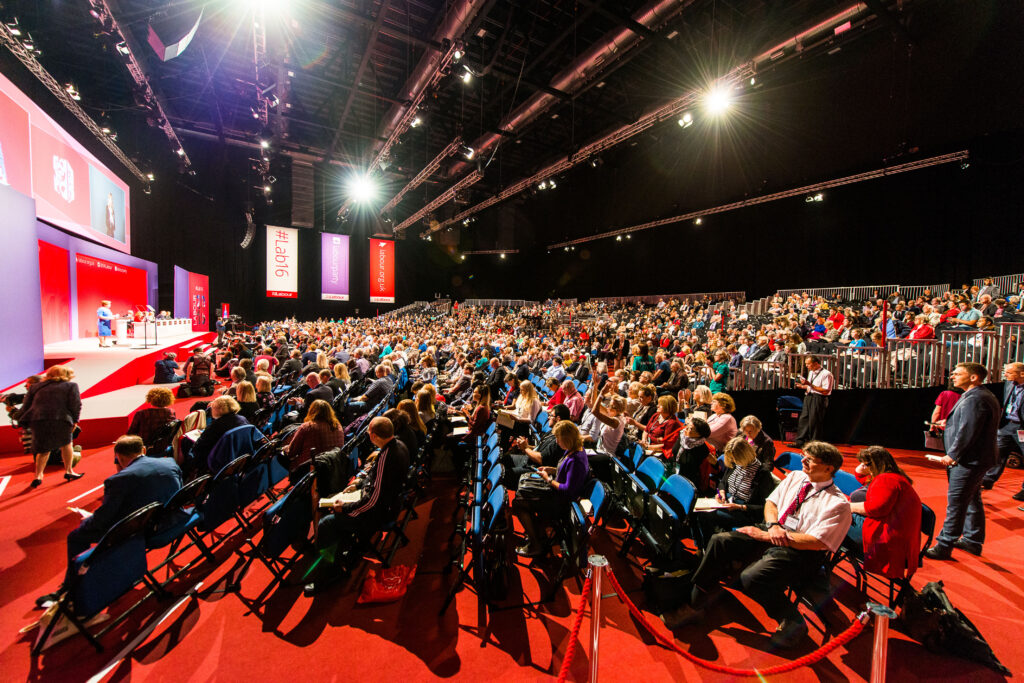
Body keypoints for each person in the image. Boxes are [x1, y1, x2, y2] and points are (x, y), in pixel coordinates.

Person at [662, 441, 851, 649]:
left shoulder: (838, 504)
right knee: (720, 542)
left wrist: (768, 535)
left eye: (810, 459)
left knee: (750, 579)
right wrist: (772, 526)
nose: (803, 461)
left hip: (800, 552)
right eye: (803, 456)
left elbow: (817, 542)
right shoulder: (797, 477)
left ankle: (793, 621)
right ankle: (694, 605)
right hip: (772, 530)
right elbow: (772, 503)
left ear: (828, 468)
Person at [35, 435, 182, 607]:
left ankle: (71, 589)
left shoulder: (119, 479)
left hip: (141, 530)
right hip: (172, 520)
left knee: (76, 536)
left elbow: (102, 518)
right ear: (143, 450)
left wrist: (86, 522)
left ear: (118, 457)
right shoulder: (169, 463)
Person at [306, 417, 410, 594]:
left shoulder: (387, 456)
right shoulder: (399, 445)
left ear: (373, 435)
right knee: (336, 514)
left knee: (327, 523)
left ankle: (331, 573)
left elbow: (373, 500)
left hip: (378, 513)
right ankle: (346, 551)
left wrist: (345, 508)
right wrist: (360, 484)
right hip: (386, 504)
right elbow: (376, 481)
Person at [926, 362, 1000, 559]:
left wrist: (952, 455)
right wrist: (948, 423)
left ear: (974, 377)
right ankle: (972, 541)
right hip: (974, 459)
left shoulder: (975, 398)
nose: (953, 376)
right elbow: (970, 425)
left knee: (956, 503)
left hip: (968, 461)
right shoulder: (978, 396)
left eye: (958, 373)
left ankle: (944, 545)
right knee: (972, 499)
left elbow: (969, 431)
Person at [512, 421, 590, 557]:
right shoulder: (573, 449)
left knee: (518, 503)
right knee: (521, 494)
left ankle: (536, 544)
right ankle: (538, 534)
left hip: (561, 502)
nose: (557, 442)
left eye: (558, 439)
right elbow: (565, 472)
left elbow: (567, 489)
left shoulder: (576, 460)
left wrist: (548, 479)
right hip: (556, 493)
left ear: (566, 439)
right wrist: (551, 469)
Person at [848, 446, 922, 580]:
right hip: (895, 535)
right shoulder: (891, 477)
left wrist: (848, 507)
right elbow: (864, 479)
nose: (862, 466)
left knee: (835, 518)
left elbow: (875, 509)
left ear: (874, 465)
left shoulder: (886, 480)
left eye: (864, 464)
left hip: (888, 539)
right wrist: (860, 470)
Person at [693, 436, 775, 549]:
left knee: (705, 515)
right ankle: (704, 546)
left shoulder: (762, 474)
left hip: (745, 511)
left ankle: (707, 548)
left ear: (745, 455)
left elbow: (764, 507)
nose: (734, 461)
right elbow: (723, 482)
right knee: (696, 509)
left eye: (736, 458)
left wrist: (740, 507)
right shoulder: (735, 464)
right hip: (728, 501)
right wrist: (721, 492)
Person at [18, 365, 83, 487]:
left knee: (43, 449)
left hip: (38, 420)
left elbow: (26, 406)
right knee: (66, 444)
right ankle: (69, 471)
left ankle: (38, 476)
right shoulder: (71, 386)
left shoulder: (35, 387)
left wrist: (22, 421)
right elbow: (76, 405)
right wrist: (75, 420)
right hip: (61, 419)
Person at [981, 362, 1024, 492]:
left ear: (1022, 374)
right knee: (997, 454)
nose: (1005, 375)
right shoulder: (1009, 383)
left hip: (1022, 428)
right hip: (1006, 425)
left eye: (1009, 372)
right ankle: (987, 480)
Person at [190, 396, 249, 472]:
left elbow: (198, 447)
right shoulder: (242, 419)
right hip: (239, 454)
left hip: (219, 461)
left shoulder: (216, 425)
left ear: (217, 409)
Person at [286, 398, 345, 471]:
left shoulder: (307, 427)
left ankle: (294, 479)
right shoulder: (338, 426)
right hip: (333, 465)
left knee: (281, 456)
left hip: (310, 467)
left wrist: (285, 449)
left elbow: (292, 452)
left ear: (311, 411)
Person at [791, 356, 833, 446]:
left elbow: (826, 390)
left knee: (815, 421)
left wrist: (809, 384)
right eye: (806, 364)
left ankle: (814, 445)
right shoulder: (811, 372)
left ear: (816, 363)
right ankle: (800, 442)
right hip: (809, 396)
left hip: (819, 399)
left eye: (808, 364)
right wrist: (803, 386)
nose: (806, 366)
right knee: (804, 419)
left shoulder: (826, 374)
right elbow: (811, 386)